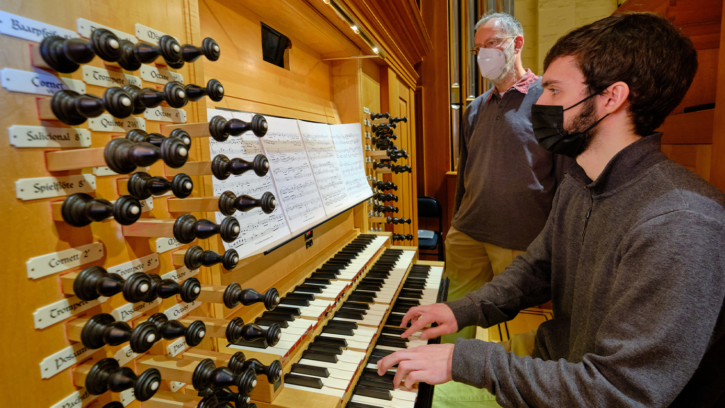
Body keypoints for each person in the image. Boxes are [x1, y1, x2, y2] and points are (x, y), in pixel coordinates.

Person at [378, 12, 725, 407]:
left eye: (555, 91)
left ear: (611, 97)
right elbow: (540, 266)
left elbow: (621, 392)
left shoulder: (682, 223)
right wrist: (463, 310)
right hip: (557, 358)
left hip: (582, 387)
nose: (539, 101)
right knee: (411, 388)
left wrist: (467, 360)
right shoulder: (582, 182)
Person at [446, 11, 571, 342]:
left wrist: (556, 242)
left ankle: (496, 390)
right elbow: (465, 172)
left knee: (511, 330)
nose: (483, 54)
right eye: (477, 49)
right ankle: (442, 387)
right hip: (468, 233)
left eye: (492, 43)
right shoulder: (474, 108)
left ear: (517, 44)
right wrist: (456, 221)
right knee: (453, 317)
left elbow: (566, 176)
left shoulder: (549, 97)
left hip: (520, 240)